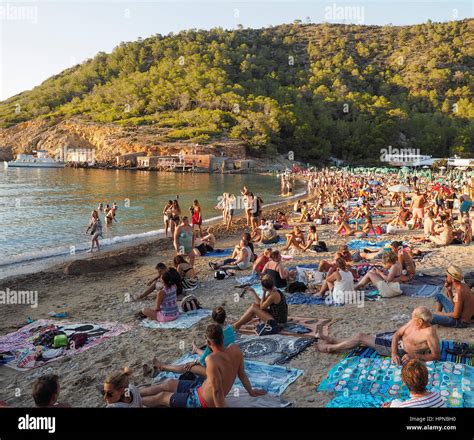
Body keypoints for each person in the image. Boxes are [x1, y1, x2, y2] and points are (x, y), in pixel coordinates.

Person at [139, 324, 266, 407]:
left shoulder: (212, 360)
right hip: (199, 389)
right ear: (223, 337)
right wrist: (251, 391)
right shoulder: (235, 349)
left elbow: (217, 391)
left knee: (162, 397)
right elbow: (242, 374)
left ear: (208, 342)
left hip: (200, 402)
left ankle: (132, 401)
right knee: (168, 383)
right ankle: (135, 392)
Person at [318, 307, 441, 364]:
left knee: (361, 337)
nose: (410, 319)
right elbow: (397, 334)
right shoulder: (413, 322)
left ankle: (331, 348)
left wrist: (414, 356)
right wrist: (393, 353)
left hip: (401, 348)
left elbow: (436, 355)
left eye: (413, 317)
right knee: (363, 339)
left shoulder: (429, 333)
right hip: (395, 342)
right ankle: (335, 340)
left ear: (419, 322)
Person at [150, 307, 236, 378]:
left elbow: (205, 357)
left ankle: (163, 367)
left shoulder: (214, 336)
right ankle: (196, 349)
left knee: (189, 367)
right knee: (211, 353)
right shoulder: (231, 330)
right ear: (225, 317)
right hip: (227, 362)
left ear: (213, 318)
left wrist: (193, 362)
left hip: (219, 369)